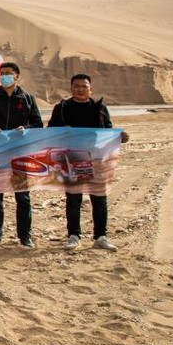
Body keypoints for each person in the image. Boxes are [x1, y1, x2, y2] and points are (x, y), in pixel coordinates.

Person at [49, 73, 129, 251]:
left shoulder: (99, 108)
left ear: (90, 89)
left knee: (99, 198)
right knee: (73, 199)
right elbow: (51, 131)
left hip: (98, 159)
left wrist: (120, 137)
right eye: (76, 86)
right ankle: (74, 236)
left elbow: (108, 131)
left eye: (84, 86)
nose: (80, 89)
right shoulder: (62, 108)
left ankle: (101, 236)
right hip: (72, 159)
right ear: (71, 89)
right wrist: (63, 131)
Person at [0, 61, 43, 247]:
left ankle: (25, 236)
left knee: (22, 195)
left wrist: (25, 128)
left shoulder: (27, 98)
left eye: (8, 73)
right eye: (2, 73)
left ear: (17, 76)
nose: (4, 76)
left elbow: (37, 123)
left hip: (21, 153)